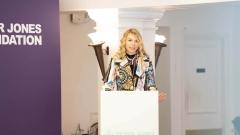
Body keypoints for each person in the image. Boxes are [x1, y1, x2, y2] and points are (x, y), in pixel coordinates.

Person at [103, 28, 166, 101]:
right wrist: (105, 98)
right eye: (130, 40)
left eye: (136, 41)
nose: (133, 44)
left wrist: (155, 97)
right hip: (122, 102)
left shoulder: (145, 61)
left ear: (139, 43)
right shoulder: (116, 60)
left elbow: (151, 84)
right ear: (125, 42)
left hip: (140, 101)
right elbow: (109, 83)